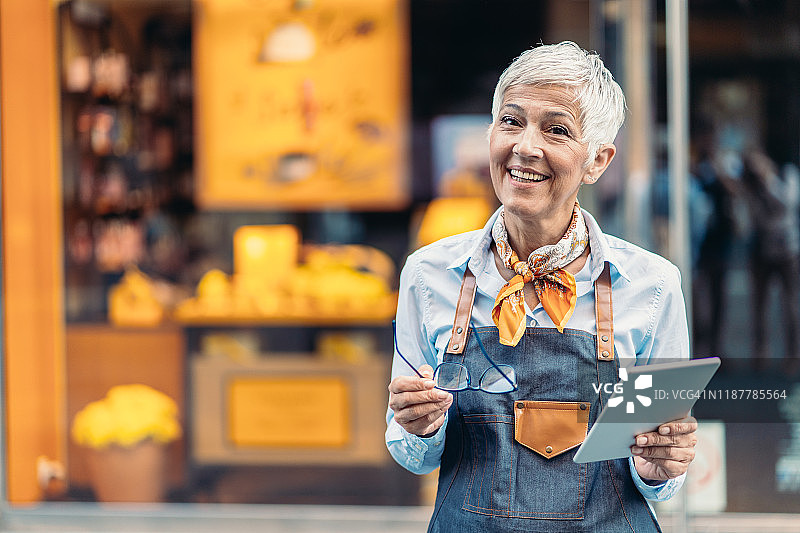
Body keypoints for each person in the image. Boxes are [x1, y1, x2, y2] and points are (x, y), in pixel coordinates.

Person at [386, 41, 696, 532]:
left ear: (597, 160)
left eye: (556, 130)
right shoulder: (429, 274)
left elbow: (661, 469)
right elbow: (411, 455)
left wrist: (657, 467)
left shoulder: (651, 285)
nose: (525, 146)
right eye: (511, 121)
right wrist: (417, 427)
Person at [740, 150, 800, 372]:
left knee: (790, 305)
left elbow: (786, 205)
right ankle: (760, 353)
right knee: (759, 306)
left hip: (787, 251)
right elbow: (752, 219)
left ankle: (793, 355)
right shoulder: (751, 186)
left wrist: (768, 181)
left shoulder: (786, 175)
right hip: (761, 251)